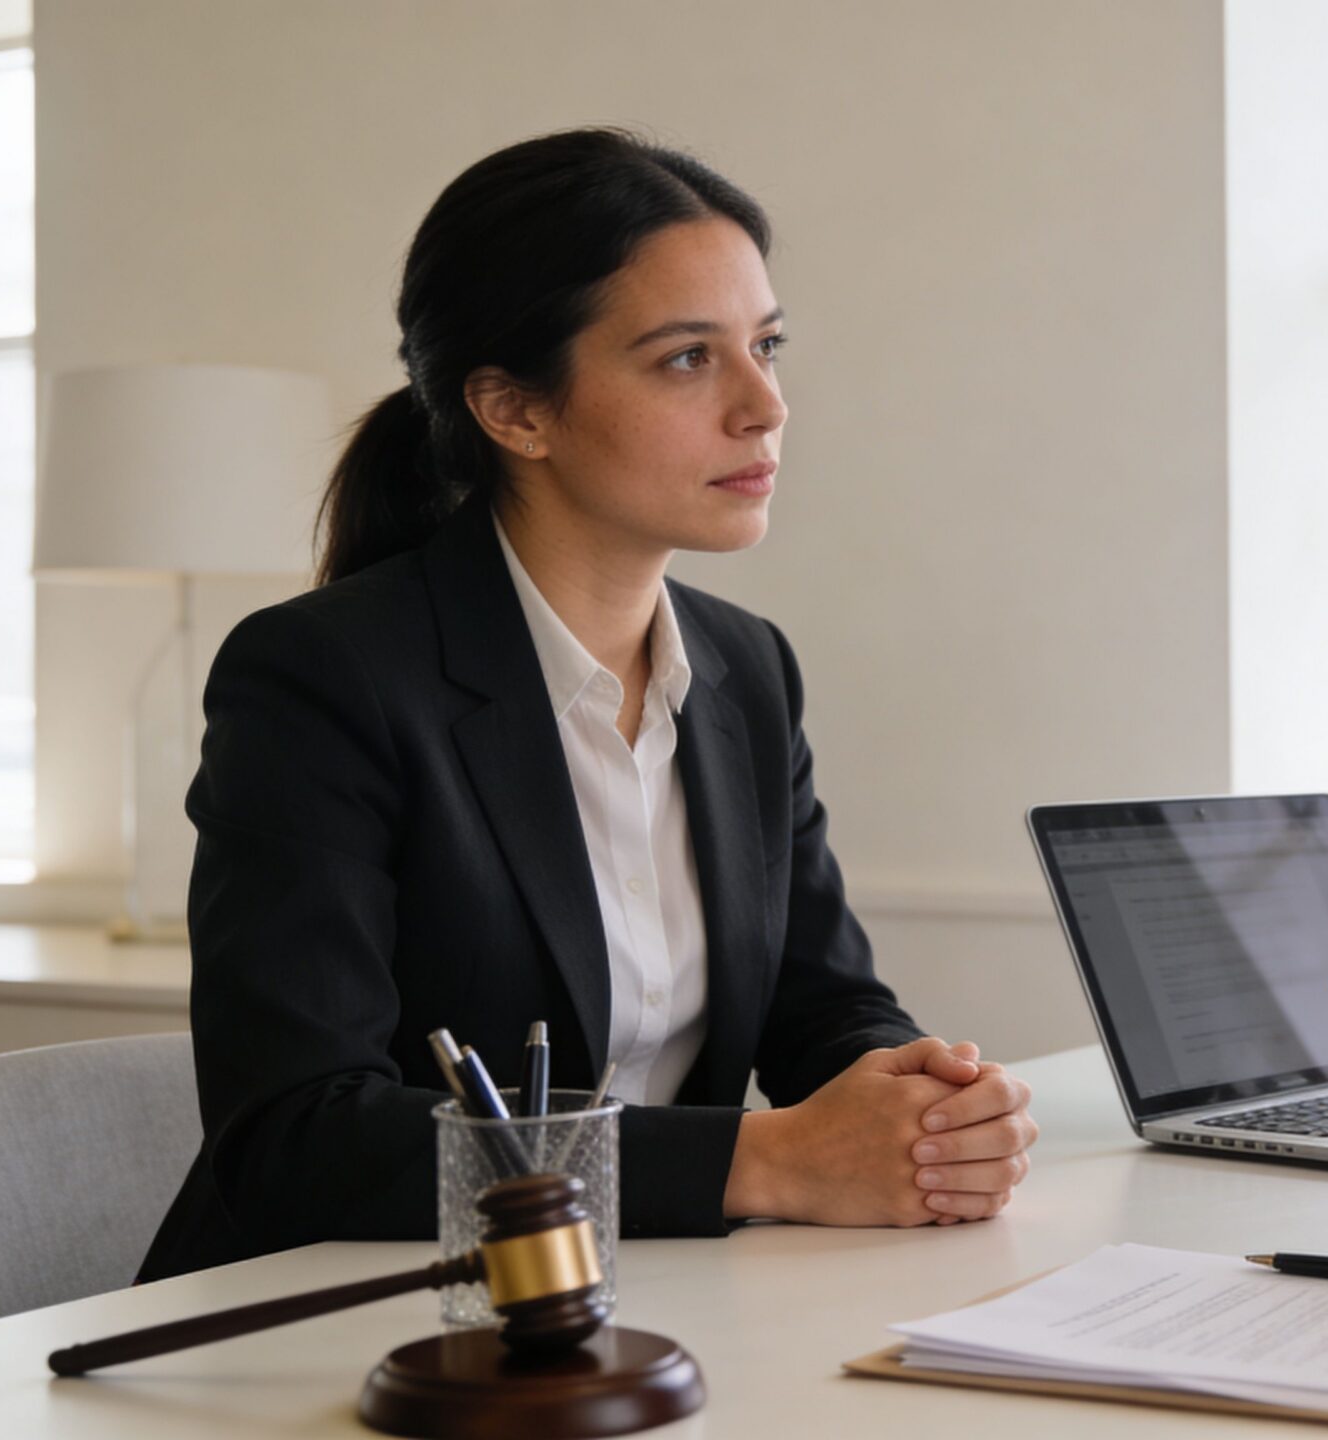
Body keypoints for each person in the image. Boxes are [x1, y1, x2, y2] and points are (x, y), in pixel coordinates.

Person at [140, 130, 1035, 1281]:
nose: (764, 405)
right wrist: (756, 1161)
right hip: (350, 1320)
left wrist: (928, 1103)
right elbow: (299, 1138)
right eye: (684, 360)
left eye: (764, 345)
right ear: (515, 411)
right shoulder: (319, 677)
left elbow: (825, 1010)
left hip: (649, 1302)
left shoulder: (746, 667)